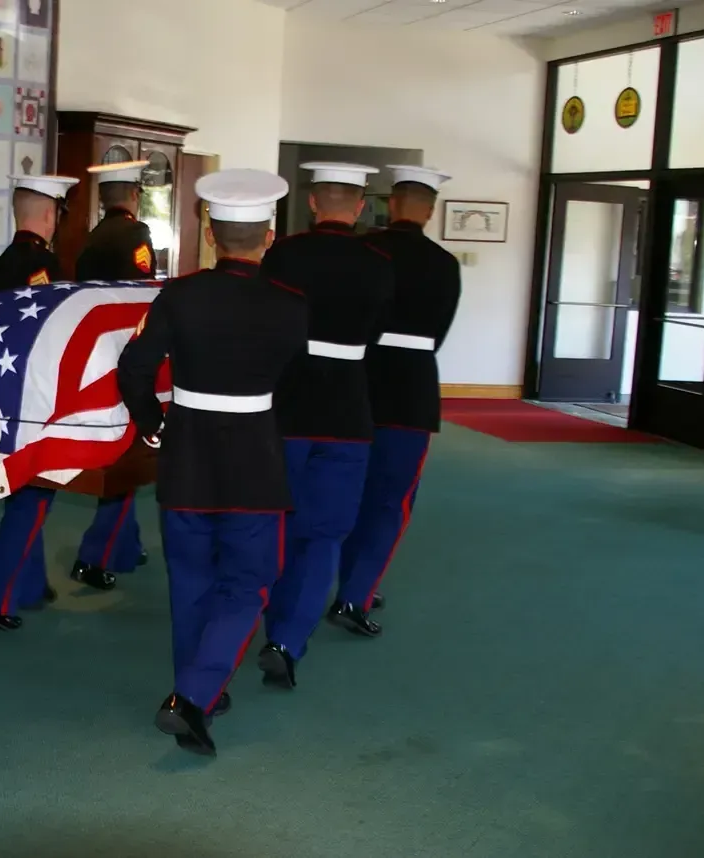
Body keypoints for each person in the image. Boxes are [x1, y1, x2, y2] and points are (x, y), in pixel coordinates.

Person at [118, 168, 306, 755]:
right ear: (269, 234)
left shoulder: (179, 294)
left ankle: (197, 686)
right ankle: (194, 695)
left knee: (191, 579)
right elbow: (296, 389)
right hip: (254, 456)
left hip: (188, 452)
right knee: (249, 582)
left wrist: (154, 426)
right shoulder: (292, 306)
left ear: (210, 229)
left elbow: (133, 371)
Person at [258, 162, 394, 691]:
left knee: (274, 521)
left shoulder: (284, 254)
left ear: (313, 202)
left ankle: (256, 620)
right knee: (325, 534)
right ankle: (287, 641)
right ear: (359, 206)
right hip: (346, 411)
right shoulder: (379, 263)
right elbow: (377, 336)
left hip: (287, 405)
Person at [329, 166, 461, 635]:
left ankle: (350, 581)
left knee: (349, 490)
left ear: (390, 204)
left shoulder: (365, 251)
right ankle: (355, 594)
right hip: (410, 388)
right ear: (429, 210)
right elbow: (439, 333)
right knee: (391, 499)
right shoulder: (444, 264)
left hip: (355, 381)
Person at [0, 174, 79, 631]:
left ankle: (29, 583)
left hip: (3, 393)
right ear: (50, 215)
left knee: (24, 491)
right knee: (32, 497)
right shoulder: (44, 265)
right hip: (35, 399)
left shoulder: (4, 261)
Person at [69, 159, 157, 593]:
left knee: (122, 454)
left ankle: (126, 545)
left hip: (96, 359)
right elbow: (144, 294)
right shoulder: (135, 235)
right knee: (125, 459)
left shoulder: (90, 240)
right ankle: (93, 555)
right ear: (135, 197)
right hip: (127, 359)